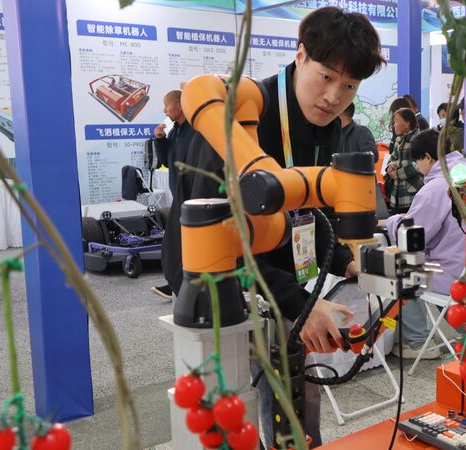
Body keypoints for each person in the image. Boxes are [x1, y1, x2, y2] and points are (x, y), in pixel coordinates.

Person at [161, 7, 384, 447]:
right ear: (300, 55)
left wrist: (347, 261)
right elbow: (228, 237)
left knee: (297, 401)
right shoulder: (244, 118)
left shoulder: (327, 126)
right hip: (217, 285)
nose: (334, 96)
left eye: (349, 86)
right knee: (233, 409)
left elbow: (314, 209)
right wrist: (299, 303)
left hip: (281, 274)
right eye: (326, 77)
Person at [382, 129, 466, 358]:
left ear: (427, 157)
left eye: (417, 162)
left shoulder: (435, 187)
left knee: (398, 268)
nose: (418, 168)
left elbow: (414, 235)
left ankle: (418, 342)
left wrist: (391, 221)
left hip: (449, 273)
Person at [150, 90, 197, 300]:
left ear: (179, 105)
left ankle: (182, 284)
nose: (164, 109)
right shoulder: (173, 132)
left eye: (166, 104)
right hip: (178, 194)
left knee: (189, 242)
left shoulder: (195, 131)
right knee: (179, 242)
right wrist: (159, 140)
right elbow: (165, 162)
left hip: (193, 196)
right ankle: (177, 283)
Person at [384, 107, 422, 214]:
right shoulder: (398, 140)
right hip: (396, 196)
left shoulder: (418, 140)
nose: (393, 125)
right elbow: (392, 158)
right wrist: (390, 167)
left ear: (407, 123)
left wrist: (398, 174)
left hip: (411, 195)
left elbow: (419, 164)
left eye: (396, 121)